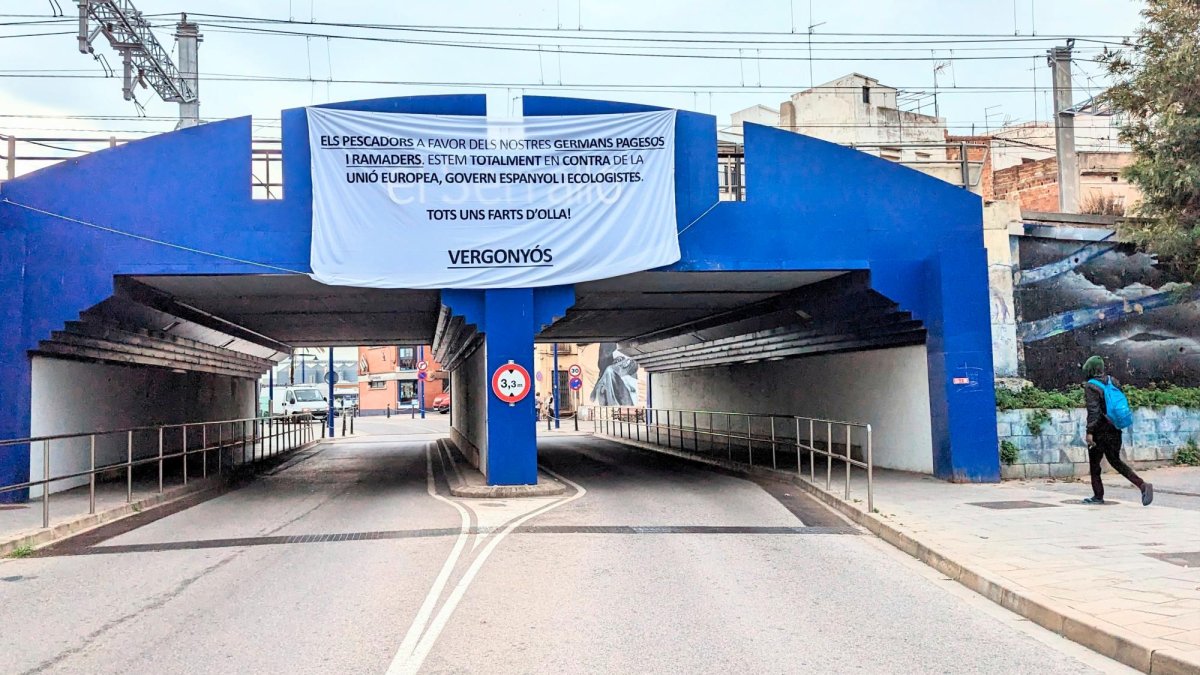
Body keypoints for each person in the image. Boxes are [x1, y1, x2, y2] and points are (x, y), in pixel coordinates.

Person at [1082, 356, 1152, 506]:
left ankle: (1098, 496)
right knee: (1115, 461)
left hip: (1100, 431)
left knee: (1095, 464)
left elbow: (1093, 411)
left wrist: (1089, 432)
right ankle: (1142, 485)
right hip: (1115, 428)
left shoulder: (1090, 386)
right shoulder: (1113, 381)